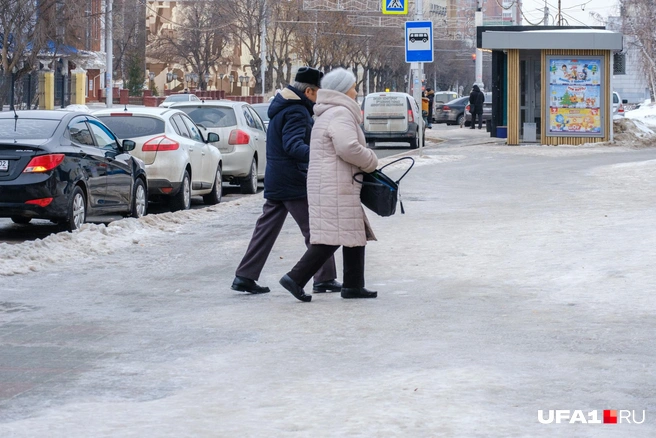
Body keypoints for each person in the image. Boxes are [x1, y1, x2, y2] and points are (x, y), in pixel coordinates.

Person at [231, 67, 341, 295]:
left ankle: (245, 276)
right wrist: (320, 153)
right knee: (317, 229)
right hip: (293, 180)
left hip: (277, 178)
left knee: (266, 230)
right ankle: (324, 278)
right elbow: (293, 145)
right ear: (309, 91)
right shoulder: (297, 111)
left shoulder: (284, 106)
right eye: (319, 92)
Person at [278, 68, 379, 302]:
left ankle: (354, 285)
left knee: (353, 232)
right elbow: (348, 148)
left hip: (332, 181)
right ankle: (295, 277)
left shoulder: (327, 112)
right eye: (353, 86)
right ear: (344, 90)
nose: (356, 90)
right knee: (331, 238)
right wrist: (371, 161)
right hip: (336, 183)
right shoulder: (341, 113)